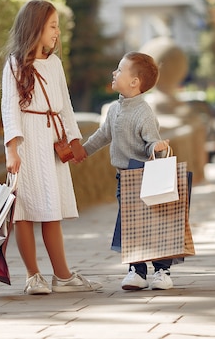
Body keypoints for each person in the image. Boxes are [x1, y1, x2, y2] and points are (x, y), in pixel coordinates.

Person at [1, 0, 101, 295]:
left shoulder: (55, 64)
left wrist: (74, 139)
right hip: (27, 142)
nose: (57, 33)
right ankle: (33, 276)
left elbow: (66, 106)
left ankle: (63, 276)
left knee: (51, 209)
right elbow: (9, 108)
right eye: (53, 26)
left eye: (58, 27)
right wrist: (11, 149)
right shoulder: (15, 64)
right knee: (25, 211)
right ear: (35, 28)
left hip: (52, 142)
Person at [83, 51, 173, 290]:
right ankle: (137, 270)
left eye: (120, 69)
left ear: (134, 82)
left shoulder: (143, 112)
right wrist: (83, 151)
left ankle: (162, 271)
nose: (115, 72)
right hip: (125, 178)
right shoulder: (114, 109)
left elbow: (152, 141)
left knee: (156, 223)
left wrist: (159, 148)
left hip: (147, 176)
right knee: (130, 224)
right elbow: (103, 135)